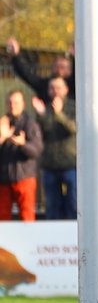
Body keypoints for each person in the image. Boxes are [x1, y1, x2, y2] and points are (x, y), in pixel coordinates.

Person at [32, 76, 77, 220]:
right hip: (50, 164)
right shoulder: (46, 108)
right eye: (51, 88)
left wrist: (59, 114)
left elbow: (73, 128)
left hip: (71, 163)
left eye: (58, 87)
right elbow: (42, 133)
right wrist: (42, 115)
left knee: (73, 205)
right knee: (52, 206)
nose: (55, 91)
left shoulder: (74, 107)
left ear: (66, 89)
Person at [0, 89, 44, 221]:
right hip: (3, 179)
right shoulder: (3, 123)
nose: (13, 106)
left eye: (16, 103)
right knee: (3, 218)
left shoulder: (30, 125)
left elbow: (36, 150)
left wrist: (22, 144)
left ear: (23, 104)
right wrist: (3, 137)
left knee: (27, 216)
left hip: (24, 177)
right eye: (10, 103)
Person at [5, 37, 75, 102]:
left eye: (62, 67)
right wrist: (16, 55)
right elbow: (26, 74)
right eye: (56, 66)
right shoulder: (44, 85)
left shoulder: (74, 85)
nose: (59, 70)